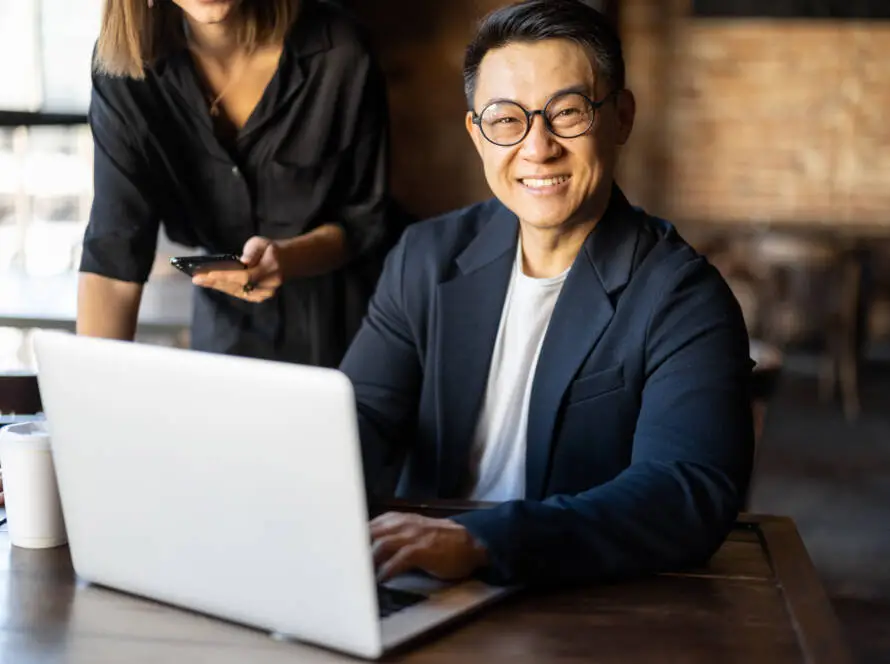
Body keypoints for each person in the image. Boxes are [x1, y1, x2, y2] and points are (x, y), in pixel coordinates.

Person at [340, 0, 754, 586]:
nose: (537, 148)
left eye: (567, 113)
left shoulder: (683, 297)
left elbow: (686, 491)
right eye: (507, 120)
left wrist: (481, 542)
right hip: (415, 576)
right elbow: (360, 419)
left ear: (622, 118)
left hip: (573, 593)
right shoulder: (424, 258)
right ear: (477, 135)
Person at [77, 0, 401, 367]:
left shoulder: (340, 49)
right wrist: (91, 406)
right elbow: (114, 253)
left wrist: (287, 258)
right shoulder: (126, 70)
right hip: (222, 340)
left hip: (348, 336)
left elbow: (365, 223)